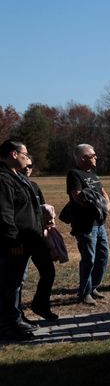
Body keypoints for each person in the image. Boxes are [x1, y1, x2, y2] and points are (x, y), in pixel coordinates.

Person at [0, 140, 41, 340]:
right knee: (8, 285)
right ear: (14, 154)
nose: (28, 156)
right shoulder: (3, 178)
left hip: (25, 241)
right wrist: (12, 240)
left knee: (15, 283)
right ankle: (7, 327)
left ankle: (15, 319)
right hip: (12, 244)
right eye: (25, 153)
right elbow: (4, 212)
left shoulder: (16, 176)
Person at [65, 143, 110, 305]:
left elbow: (103, 192)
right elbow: (76, 196)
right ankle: (84, 293)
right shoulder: (74, 174)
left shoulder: (93, 174)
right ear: (83, 158)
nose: (96, 157)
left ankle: (93, 286)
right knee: (89, 259)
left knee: (104, 257)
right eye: (93, 155)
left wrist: (107, 205)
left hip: (99, 223)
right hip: (85, 225)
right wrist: (96, 206)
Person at [20, 163, 58, 320]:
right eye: (25, 165)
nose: (28, 168)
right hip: (20, 238)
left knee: (49, 271)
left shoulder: (34, 186)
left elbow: (42, 209)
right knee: (19, 278)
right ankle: (16, 315)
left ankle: (40, 305)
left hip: (37, 237)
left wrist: (47, 225)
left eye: (31, 165)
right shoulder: (9, 184)